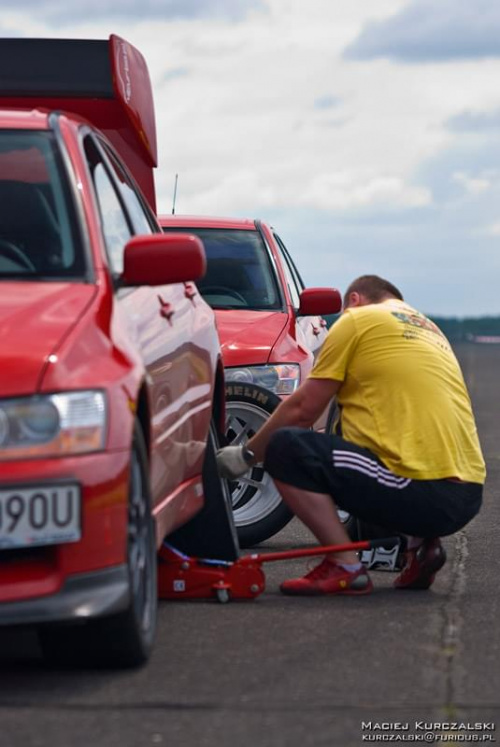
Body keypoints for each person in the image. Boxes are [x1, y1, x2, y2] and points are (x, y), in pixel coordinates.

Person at [216, 275, 485, 596]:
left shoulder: (357, 320)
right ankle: (423, 548)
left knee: (284, 447)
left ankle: (343, 564)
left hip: (425, 494)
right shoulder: (429, 330)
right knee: (374, 438)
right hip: (468, 493)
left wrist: (245, 456)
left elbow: (303, 409)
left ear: (354, 300)